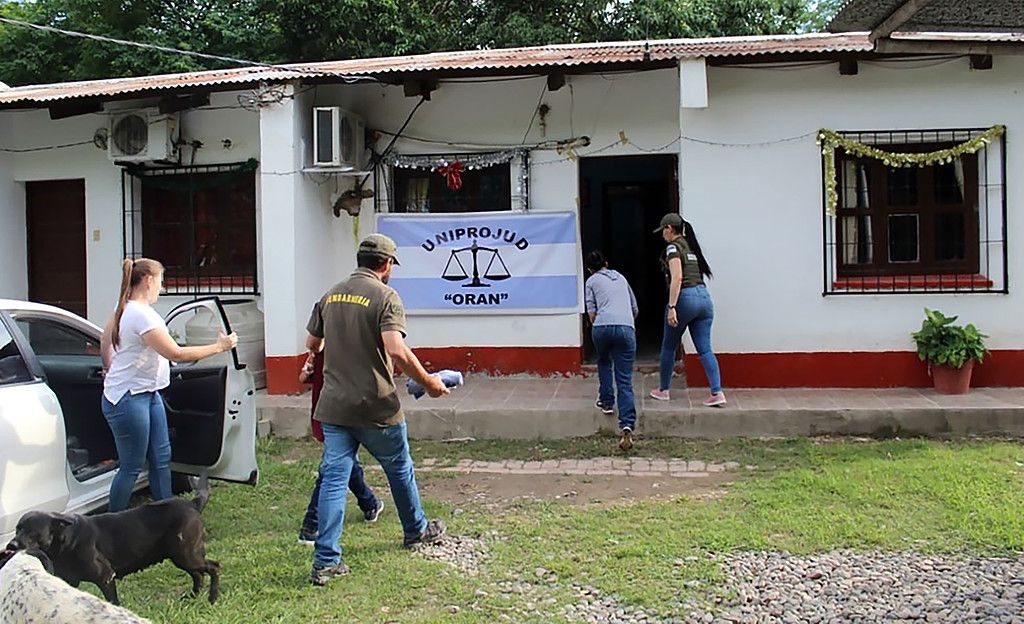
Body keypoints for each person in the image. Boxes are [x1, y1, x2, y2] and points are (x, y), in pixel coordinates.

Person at [306, 233, 450, 586]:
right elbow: (396, 349)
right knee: (399, 467)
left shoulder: (331, 293)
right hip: (375, 405)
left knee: (334, 480)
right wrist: (429, 382)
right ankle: (416, 530)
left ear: (359, 260)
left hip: (334, 406)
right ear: (386, 265)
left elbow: (312, 342)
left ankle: (326, 560)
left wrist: (316, 359)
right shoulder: (386, 296)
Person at [100, 258, 238, 512]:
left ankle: (167, 518)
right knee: (131, 466)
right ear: (148, 281)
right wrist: (220, 346)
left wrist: (109, 366)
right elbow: (176, 354)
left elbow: (104, 339)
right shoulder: (139, 315)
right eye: (161, 281)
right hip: (128, 399)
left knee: (162, 458)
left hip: (147, 394)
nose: (161, 288)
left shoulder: (126, 307)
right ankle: (111, 524)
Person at [295, 338, 384, 546]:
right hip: (338, 411)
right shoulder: (338, 346)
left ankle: (369, 504)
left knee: (344, 460)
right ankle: (311, 525)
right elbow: (305, 375)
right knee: (333, 465)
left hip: (330, 409)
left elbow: (304, 375)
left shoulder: (324, 346)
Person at [649, 214, 725, 407]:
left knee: (668, 347)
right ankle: (717, 392)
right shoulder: (692, 247)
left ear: (669, 228)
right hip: (704, 298)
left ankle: (663, 390)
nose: (663, 235)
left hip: (685, 298)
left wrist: (672, 307)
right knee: (705, 349)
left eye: (663, 231)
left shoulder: (673, 248)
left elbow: (677, 278)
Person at [584, 250, 639, 451]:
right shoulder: (621, 278)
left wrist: (600, 324)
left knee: (604, 361)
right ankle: (627, 425)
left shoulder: (591, 282)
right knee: (624, 378)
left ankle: (607, 402)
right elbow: (634, 308)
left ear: (590, 269)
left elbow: (591, 313)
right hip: (626, 326)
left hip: (602, 327)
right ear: (606, 263)